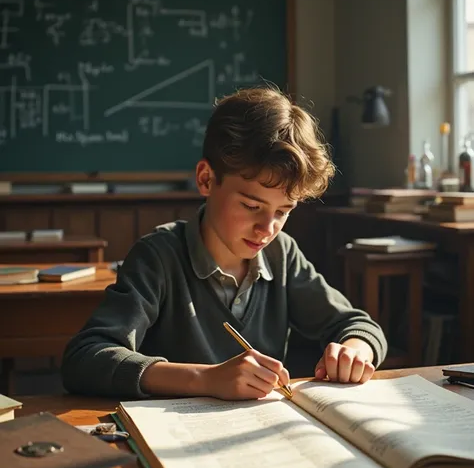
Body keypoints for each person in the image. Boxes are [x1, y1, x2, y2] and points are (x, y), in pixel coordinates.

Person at [61, 87, 387, 399]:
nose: (267, 228)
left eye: (284, 211)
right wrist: (205, 378)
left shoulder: (281, 253)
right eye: (251, 206)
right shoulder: (158, 257)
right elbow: (85, 358)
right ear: (206, 179)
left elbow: (356, 324)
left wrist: (355, 350)